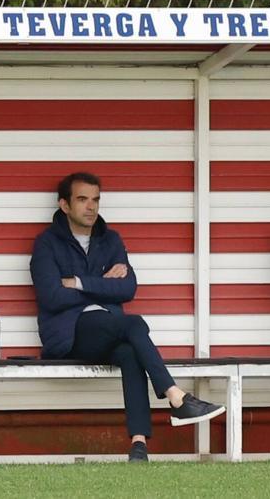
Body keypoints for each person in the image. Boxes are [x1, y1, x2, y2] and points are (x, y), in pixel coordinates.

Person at [31, 172, 225, 463]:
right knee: (133, 324)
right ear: (64, 205)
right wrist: (101, 283)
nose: (91, 207)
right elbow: (52, 297)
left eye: (95, 199)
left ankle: (138, 446)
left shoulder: (110, 240)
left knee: (130, 352)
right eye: (82, 199)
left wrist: (79, 282)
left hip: (109, 331)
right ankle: (175, 396)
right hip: (69, 334)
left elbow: (127, 288)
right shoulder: (46, 243)